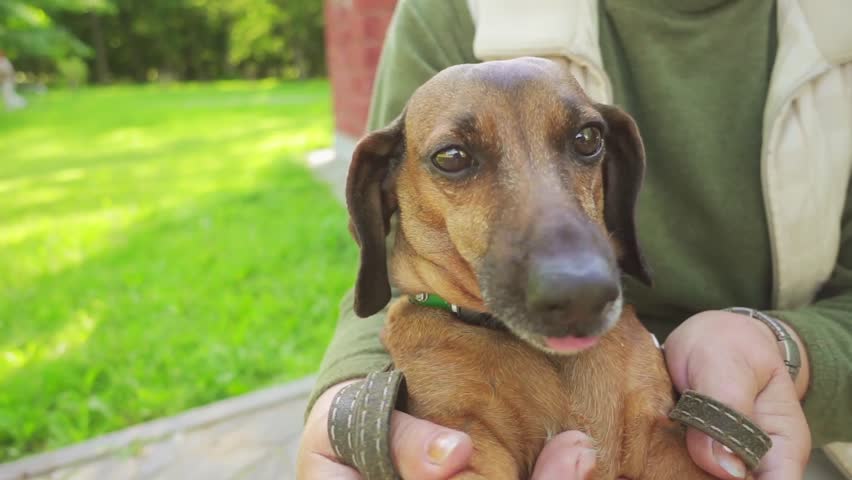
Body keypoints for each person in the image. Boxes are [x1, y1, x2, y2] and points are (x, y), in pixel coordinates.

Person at [298, 0, 852, 478]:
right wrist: (349, 405)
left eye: (584, 141)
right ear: (386, 187)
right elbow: (388, 285)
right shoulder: (451, 9)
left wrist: (787, 351)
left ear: (616, 165)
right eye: (456, 159)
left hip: (813, 436)